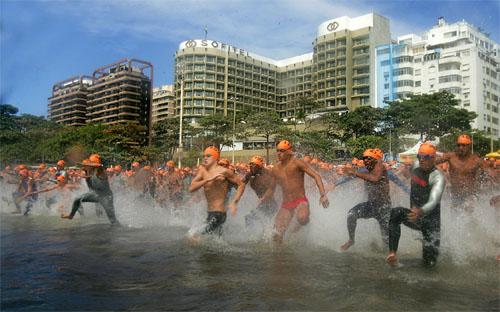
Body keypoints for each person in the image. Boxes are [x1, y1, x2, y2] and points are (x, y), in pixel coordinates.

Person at [386, 143, 445, 267]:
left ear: (433, 158)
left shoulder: (438, 177)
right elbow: (407, 174)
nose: (422, 160)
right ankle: (392, 253)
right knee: (396, 212)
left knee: (429, 264)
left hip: (431, 224)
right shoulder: (415, 166)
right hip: (415, 217)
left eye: (426, 157)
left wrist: (420, 211)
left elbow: (434, 201)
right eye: (420, 156)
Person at [269, 140, 329, 244]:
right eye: (277, 151)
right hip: (286, 204)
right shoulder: (275, 169)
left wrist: (323, 195)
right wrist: (265, 200)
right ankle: (280, 256)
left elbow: (316, 176)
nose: (279, 153)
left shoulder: (297, 163)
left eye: (282, 151)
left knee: (302, 218)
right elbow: (271, 189)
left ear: (289, 151)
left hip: (300, 200)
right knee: (276, 233)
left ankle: (306, 222)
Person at [339, 148, 391, 251]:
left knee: (386, 242)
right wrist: (335, 184)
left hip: (384, 207)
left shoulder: (380, 166)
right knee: (351, 214)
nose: (366, 160)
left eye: (369, 158)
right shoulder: (366, 169)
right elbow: (352, 176)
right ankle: (351, 240)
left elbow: (375, 179)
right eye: (364, 158)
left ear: (375, 159)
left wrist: (354, 172)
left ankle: (387, 252)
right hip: (371, 205)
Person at [188, 146, 245, 238]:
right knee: (213, 241)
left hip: (219, 214)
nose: (205, 158)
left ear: (216, 158)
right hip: (209, 213)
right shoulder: (203, 172)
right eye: (204, 156)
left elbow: (241, 185)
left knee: (194, 236)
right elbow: (191, 188)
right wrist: (206, 180)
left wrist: (234, 202)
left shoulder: (224, 171)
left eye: (208, 156)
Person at [435, 134, 489, 213]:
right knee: (454, 216)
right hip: (455, 195)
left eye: (464, 145)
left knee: (468, 213)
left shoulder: (476, 160)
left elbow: (492, 174)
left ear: (469, 146)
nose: (461, 148)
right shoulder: (450, 156)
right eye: (459, 145)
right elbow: (432, 163)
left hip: (470, 195)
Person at [61, 154, 119, 225]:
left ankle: (117, 228)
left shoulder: (100, 170)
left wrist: (82, 164)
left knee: (112, 220)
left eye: (90, 161)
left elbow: (98, 166)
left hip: (106, 197)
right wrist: (79, 173)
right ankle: (71, 216)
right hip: (95, 194)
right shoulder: (92, 171)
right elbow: (88, 176)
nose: (88, 163)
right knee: (77, 199)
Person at [242, 155, 278, 226]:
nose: (251, 167)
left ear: (259, 166)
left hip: (271, 205)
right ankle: (252, 235)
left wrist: (262, 199)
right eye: (250, 164)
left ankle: (268, 234)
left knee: (263, 223)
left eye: (253, 165)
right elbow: (240, 184)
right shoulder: (249, 175)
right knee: (249, 218)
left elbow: (271, 189)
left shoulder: (268, 174)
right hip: (262, 204)